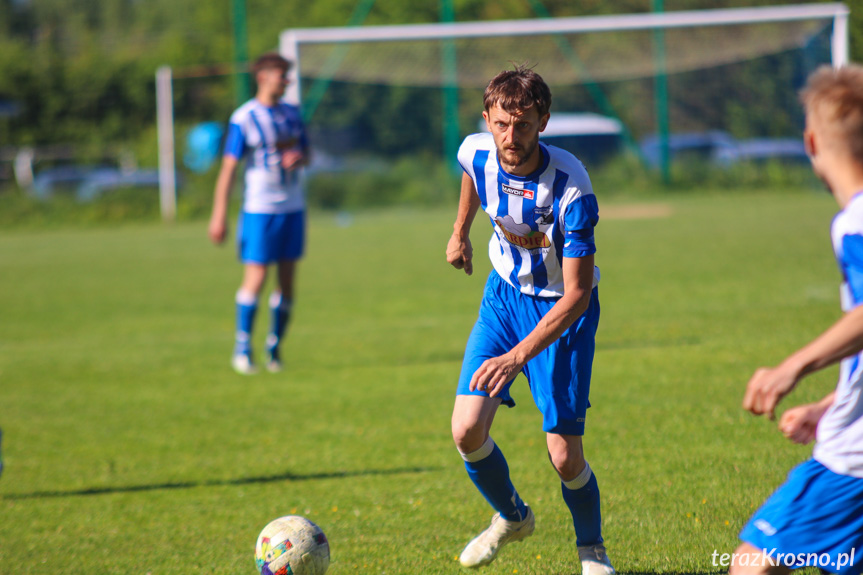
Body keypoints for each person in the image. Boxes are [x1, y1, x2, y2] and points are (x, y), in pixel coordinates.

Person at [446, 64, 614, 574]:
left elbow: (579, 294)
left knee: (564, 456)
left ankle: (592, 552)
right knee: (466, 431)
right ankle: (513, 517)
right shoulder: (476, 149)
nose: (510, 137)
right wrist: (460, 232)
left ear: (544, 120)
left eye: (522, 125)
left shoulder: (570, 187)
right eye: (500, 124)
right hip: (502, 298)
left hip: (560, 311)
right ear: (487, 119)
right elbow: (472, 174)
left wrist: (516, 357)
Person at [733, 64, 863, 575]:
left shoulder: (855, 225)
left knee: (752, 564)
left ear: (811, 142)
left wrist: (793, 367)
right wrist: (832, 403)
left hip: (852, 460)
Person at [209, 52, 310, 375]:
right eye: (282, 76)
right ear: (264, 77)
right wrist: (219, 213)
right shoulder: (244, 118)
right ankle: (242, 348)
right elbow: (228, 168)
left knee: (288, 281)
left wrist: (300, 159)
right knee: (256, 276)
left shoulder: (293, 114)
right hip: (259, 209)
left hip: (292, 207)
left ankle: (275, 347)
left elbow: (307, 152)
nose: (287, 82)